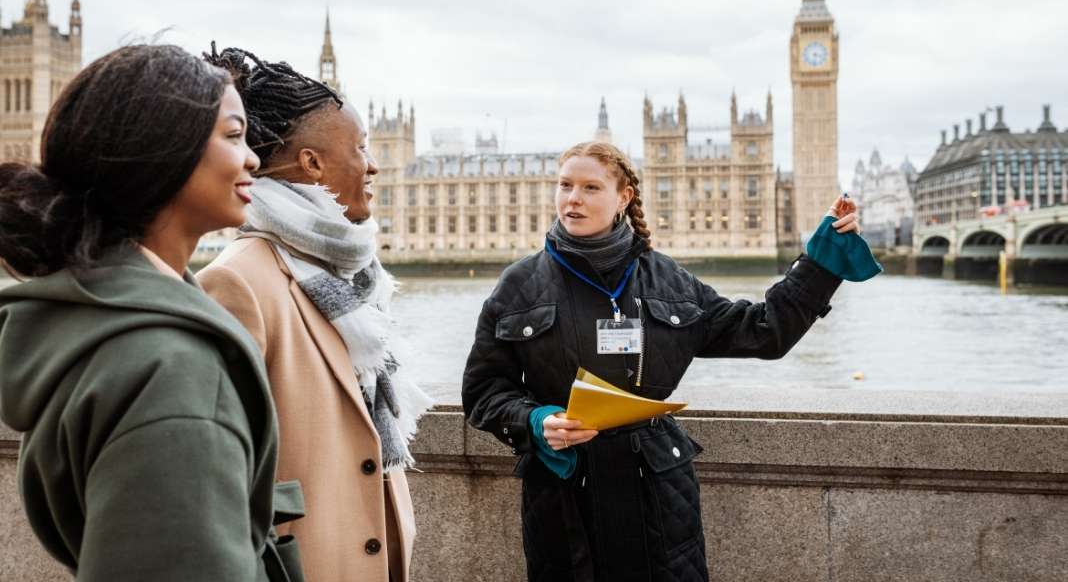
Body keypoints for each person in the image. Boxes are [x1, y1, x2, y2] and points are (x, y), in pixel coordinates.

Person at [462, 141, 868, 582]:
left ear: (623, 198)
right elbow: (484, 391)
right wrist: (536, 421)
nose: (572, 198)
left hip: (657, 489)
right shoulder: (519, 284)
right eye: (564, 185)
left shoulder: (667, 278)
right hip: (564, 490)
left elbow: (764, 331)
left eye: (590, 187)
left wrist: (821, 263)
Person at [0, 45, 303, 581]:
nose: (254, 157)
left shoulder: (85, 321)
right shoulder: (174, 368)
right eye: (233, 135)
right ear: (164, 153)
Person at [198, 45, 431, 582]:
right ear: (312, 163)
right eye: (361, 148)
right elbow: (215, 483)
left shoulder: (357, 280)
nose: (374, 165)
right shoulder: (238, 281)